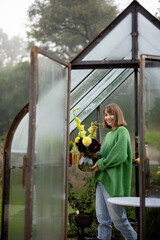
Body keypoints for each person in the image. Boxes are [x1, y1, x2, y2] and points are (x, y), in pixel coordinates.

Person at [91, 103, 137, 240]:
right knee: (103, 221)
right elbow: (104, 155)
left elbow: (119, 155)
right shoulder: (109, 135)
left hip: (114, 181)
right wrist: (90, 154)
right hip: (102, 180)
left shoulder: (122, 131)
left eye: (111, 114)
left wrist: (101, 164)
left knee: (120, 221)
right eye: (105, 115)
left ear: (117, 115)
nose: (108, 117)